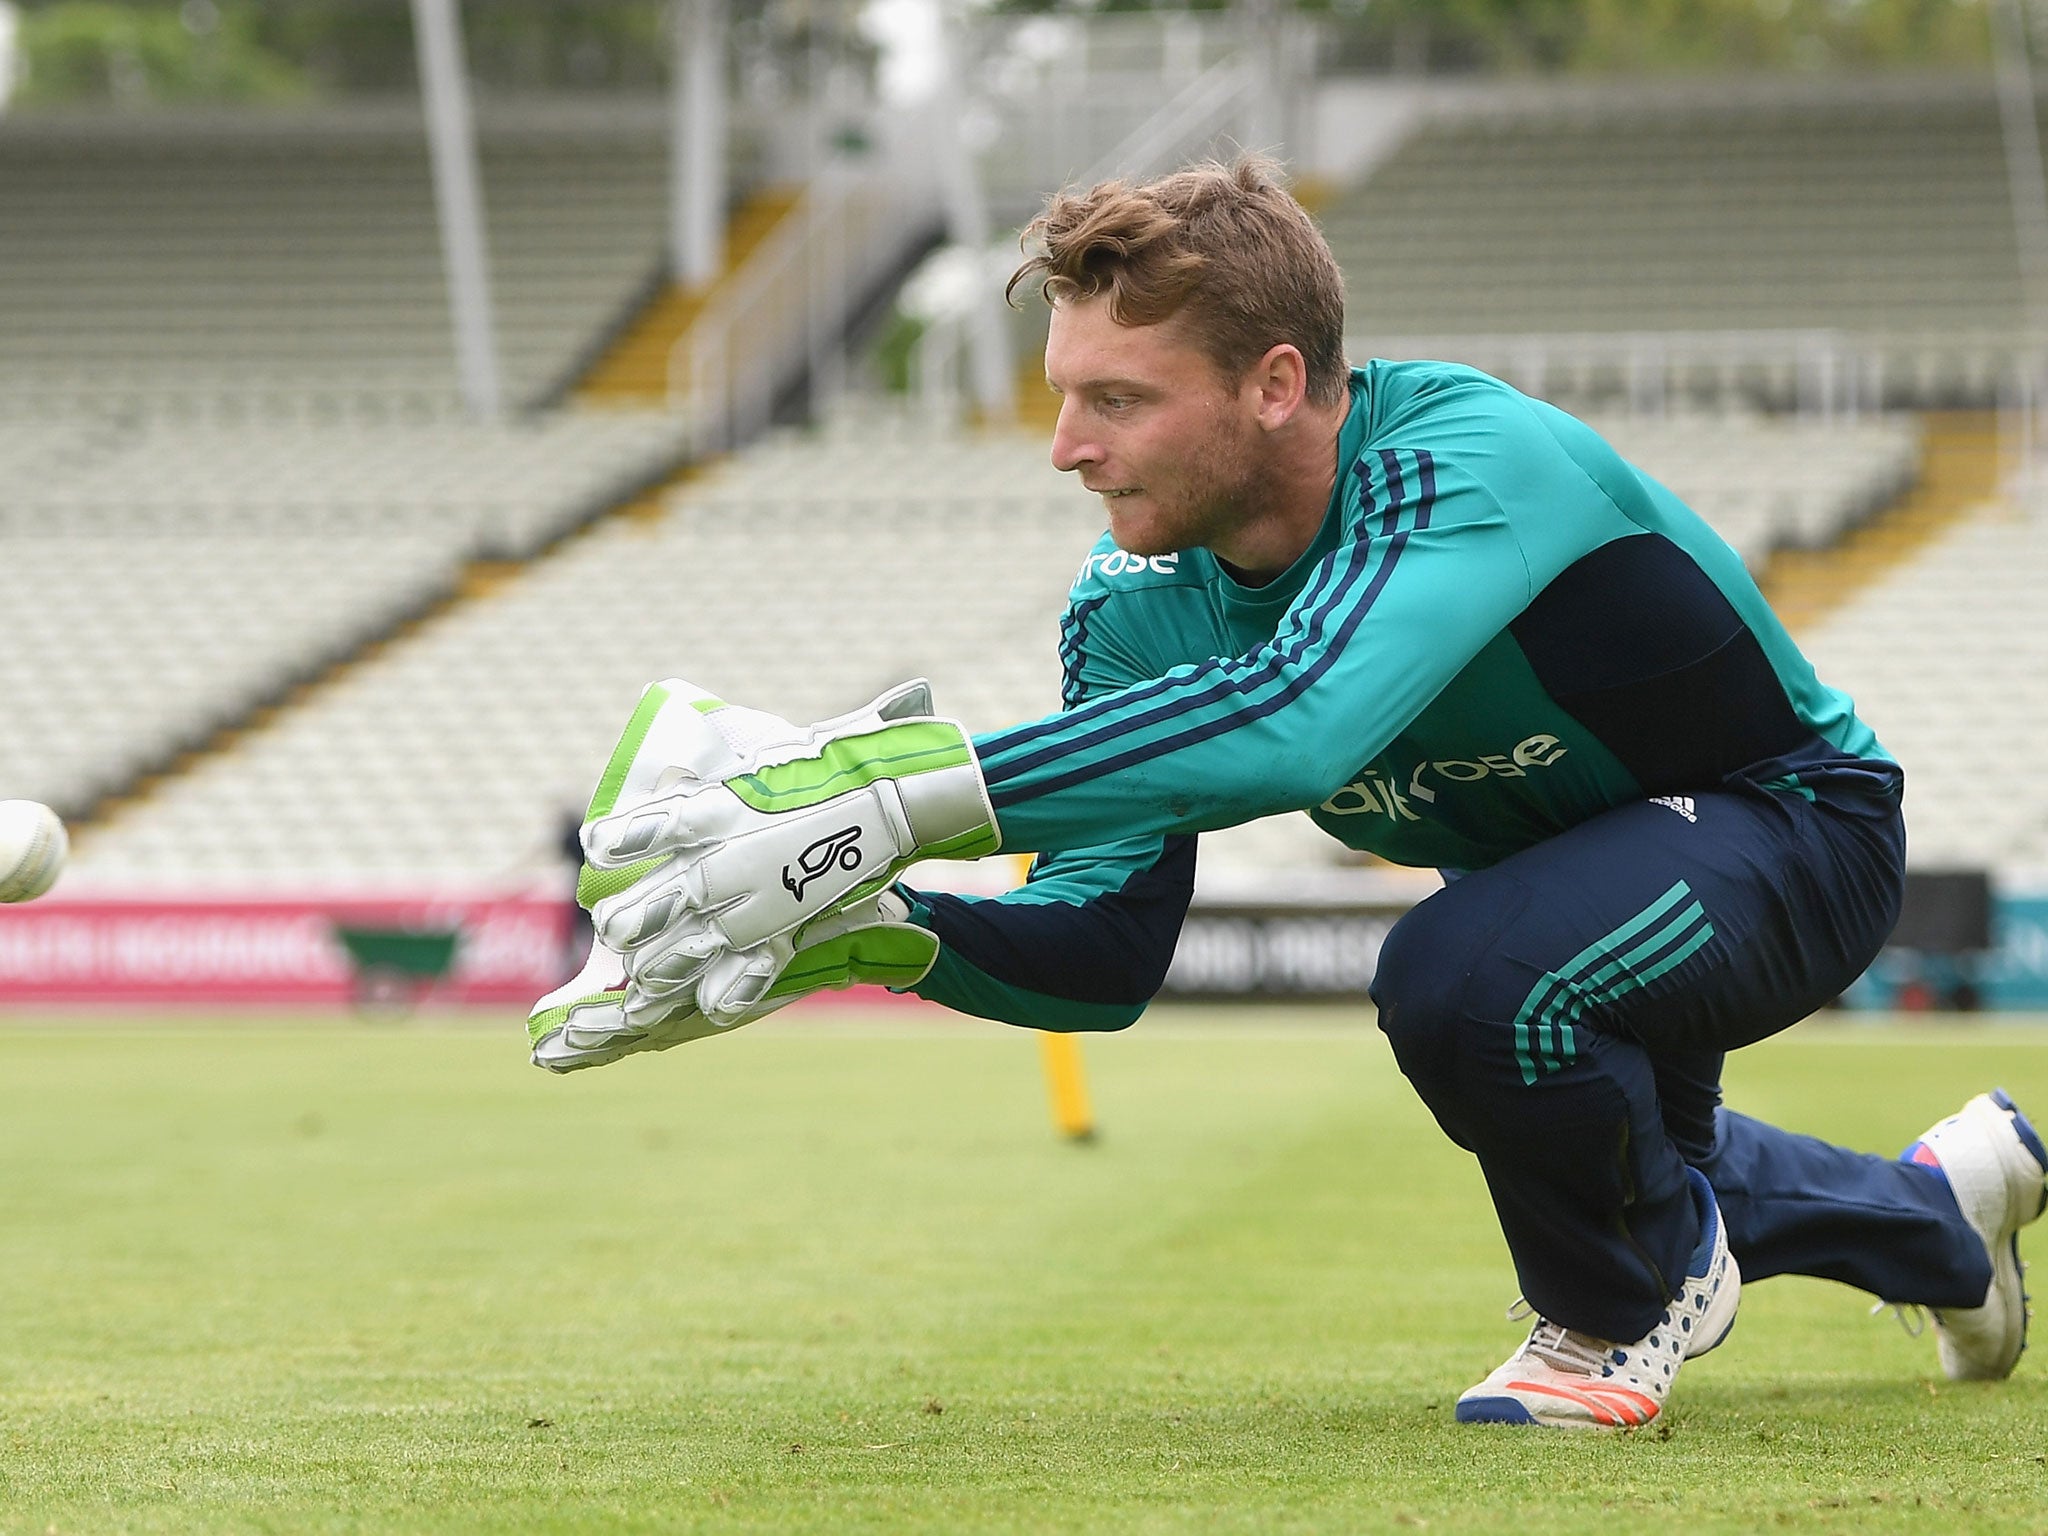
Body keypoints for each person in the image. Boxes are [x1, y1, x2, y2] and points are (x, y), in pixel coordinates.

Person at [539, 156, 2048, 1430]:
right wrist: (871, 929)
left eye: (1117, 400)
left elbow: (1299, 722)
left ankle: (1615, 1309)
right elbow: (1103, 952)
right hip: (1581, 905)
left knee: (1470, 986)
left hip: (1792, 830)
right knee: (1600, 1100)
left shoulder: (1462, 454)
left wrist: (876, 792)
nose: (1067, 448)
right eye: (1065, 398)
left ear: (1276, 386)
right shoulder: (1133, 608)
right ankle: (1947, 1217)